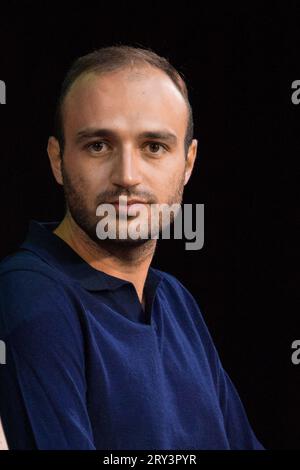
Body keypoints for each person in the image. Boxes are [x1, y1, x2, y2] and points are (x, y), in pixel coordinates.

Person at [0, 45, 264, 450]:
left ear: (188, 163)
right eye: (98, 146)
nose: (126, 175)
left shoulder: (175, 300)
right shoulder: (30, 299)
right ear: (58, 160)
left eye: (153, 146)